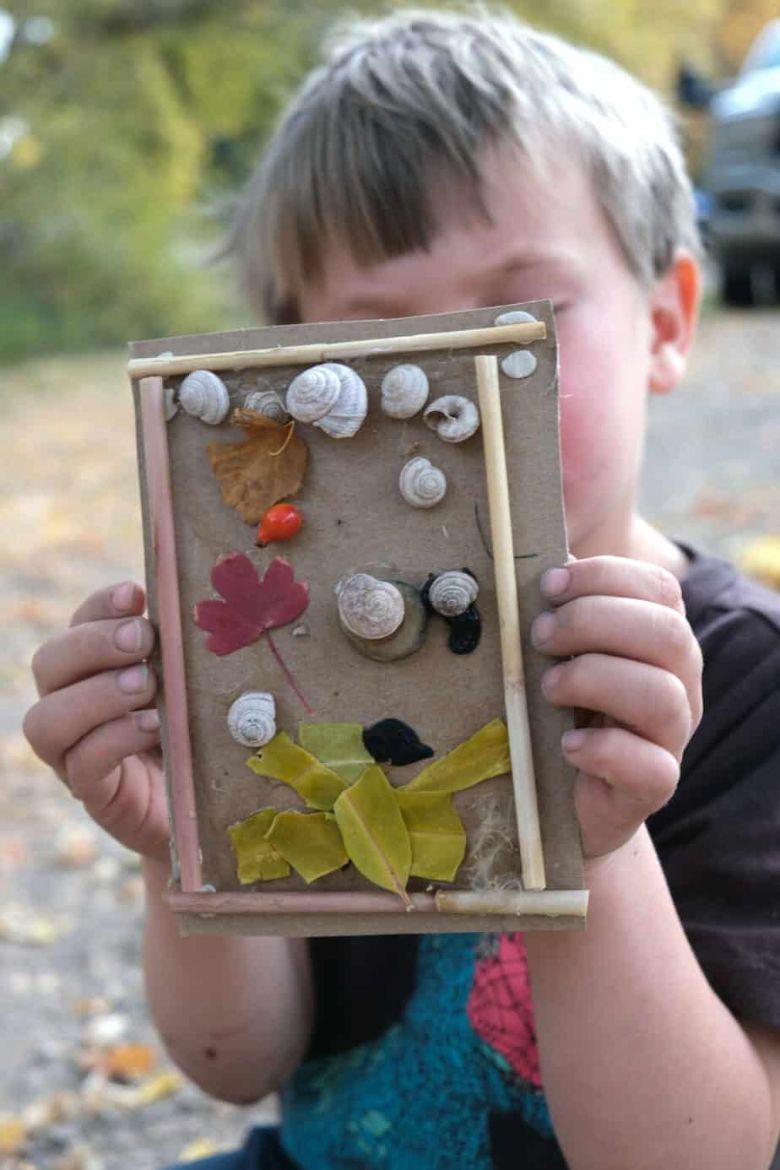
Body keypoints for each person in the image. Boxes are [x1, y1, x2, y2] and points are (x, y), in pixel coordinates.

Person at [23, 10, 780, 1170]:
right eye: (381, 340)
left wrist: (602, 846)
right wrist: (175, 845)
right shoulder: (283, 668)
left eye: (522, 319)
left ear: (667, 320)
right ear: (283, 372)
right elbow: (237, 1061)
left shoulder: (752, 683)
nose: (456, 395)